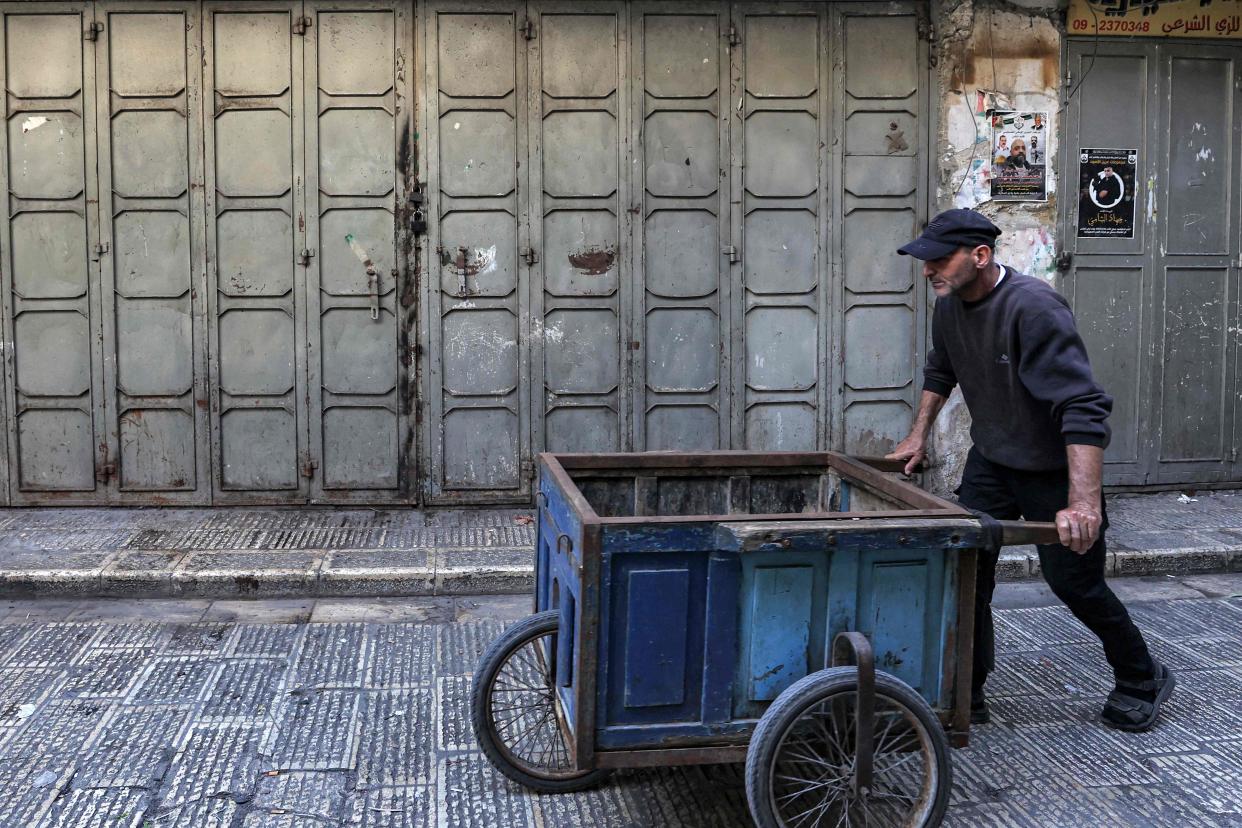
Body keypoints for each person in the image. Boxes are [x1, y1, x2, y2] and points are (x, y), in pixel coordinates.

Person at [886, 208, 1175, 732]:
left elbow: (1082, 407)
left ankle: (1142, 676)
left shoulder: (1034, 308)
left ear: (981, 255)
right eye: (924, 261)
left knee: (1076, 584)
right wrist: (917, 435)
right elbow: (941, 370)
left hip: (1052, 470)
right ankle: (965, 691)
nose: (927, 271)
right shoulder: (949, 306)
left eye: (938, 260)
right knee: (967, 567)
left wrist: (1083, 501)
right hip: (992, 461)